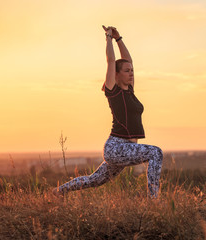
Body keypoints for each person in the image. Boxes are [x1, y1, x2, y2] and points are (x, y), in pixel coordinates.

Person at [52, 26, 163, 198]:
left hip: (127, 148)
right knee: (155, 152)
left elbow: (128, 60)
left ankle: (58, 191)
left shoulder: (129, 91)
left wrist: (119, 39)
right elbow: (111, 61)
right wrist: (109, 38)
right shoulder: (114, 91)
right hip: (116, 147)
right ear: (116, 75)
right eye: (127, 71)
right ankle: (154, 199)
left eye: (132, 71)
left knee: (95, 180)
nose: (131, 73)